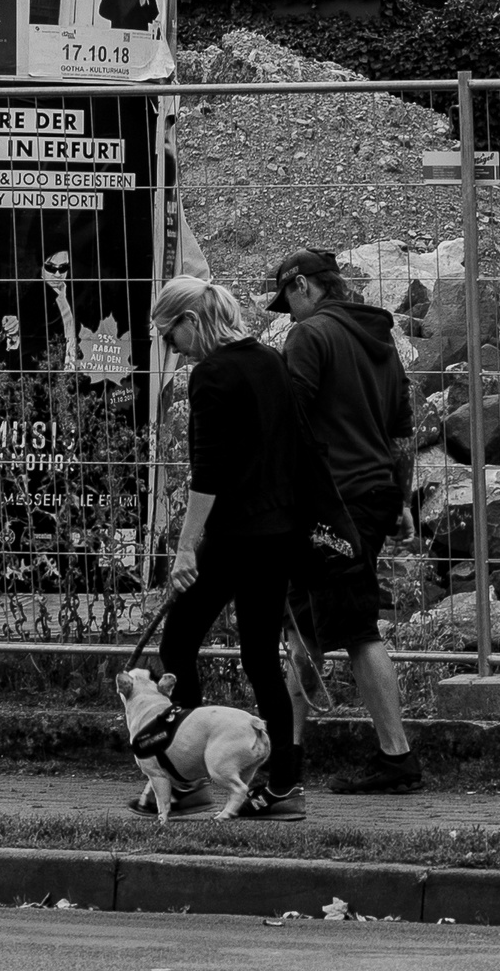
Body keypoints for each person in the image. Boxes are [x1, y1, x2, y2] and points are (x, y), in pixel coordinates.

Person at [130, 276, 307, 820]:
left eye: (168, 334)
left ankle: (185, 777)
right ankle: (283, 787)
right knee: (261, 657)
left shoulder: (209, 375)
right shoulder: (271, 360)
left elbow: (207, 475)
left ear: (190, 320)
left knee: (179, 642)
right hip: (278, 531)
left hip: (233, 534)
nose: (171, 348)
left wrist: (185, 551)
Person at [264, 250, 423, 794]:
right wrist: (398, 499)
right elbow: (402, 432)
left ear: (302, 286)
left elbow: (291, 422)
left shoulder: (309, 337)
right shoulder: (380, 341)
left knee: (355, 628)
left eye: (287, 300)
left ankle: (397, 759)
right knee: (306, 629)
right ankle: (286, 755)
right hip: (372, 495)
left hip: (335, 502)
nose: (287, 314)